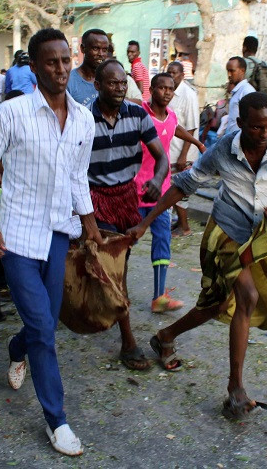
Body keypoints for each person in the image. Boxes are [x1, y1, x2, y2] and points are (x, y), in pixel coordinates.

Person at [128, 92, 267, 416]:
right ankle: (236, 389)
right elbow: (184, 184)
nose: (266, 134)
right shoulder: (223, 149)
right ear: (241, 124)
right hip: (225, 231)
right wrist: (145, 222)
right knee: (247, 296)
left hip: (264, 236)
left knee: (216, 305)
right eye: (257, 128)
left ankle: (165, 335)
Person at [0, 28, 102, 457]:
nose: (61, 69)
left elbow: (76, 178)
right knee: (45, 330)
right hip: (17, 237)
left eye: (66, 60)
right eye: (51, 62)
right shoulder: (12, 114)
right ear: (33, 65)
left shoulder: (83, 118)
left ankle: (16, 348)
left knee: (41, 322)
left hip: (59, 235)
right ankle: (57, 421)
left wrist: (91, 225)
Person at [86, 59, 168, 368]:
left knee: (120, 266)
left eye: (124, 83)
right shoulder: (83, 118)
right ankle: (128, 341)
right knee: (115, 268)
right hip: (95, 199)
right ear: (98, 85)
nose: (120, 88)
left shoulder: (138, 115)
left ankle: (102, 303)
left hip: (126, 198)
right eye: (112, 83)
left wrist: (157, 181)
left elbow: (162, 158)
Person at [135, 72, 206, 312]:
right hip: (136, 189)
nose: (166, 92)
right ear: (152, 89)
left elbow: (176, 129)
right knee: (125, 241)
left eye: (170, 89)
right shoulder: (141, 112)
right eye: (162, 88)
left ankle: (159, 296)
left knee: (163, 240)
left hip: (162, 192)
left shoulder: (172, 115)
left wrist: (196, 143)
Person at [166, 61, 200, 236]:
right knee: (172, 188)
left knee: (180, 190)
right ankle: (179, 223)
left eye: (174, 73)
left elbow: (191, 127)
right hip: (170, 150)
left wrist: (183, 155)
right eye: (169, 72)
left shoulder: (189, 95)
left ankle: (184, 226)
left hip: (183, 152)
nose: (171, 75)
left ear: (182, 75)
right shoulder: (167, 91)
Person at [67, 29, 109, 106]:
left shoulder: (111, 78)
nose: (101, 54)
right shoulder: (69, 81)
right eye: (95, 49)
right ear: (83, 49)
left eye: (104, 50)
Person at [223, 57, 256, 135]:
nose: (229, 75)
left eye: (232, 71)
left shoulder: (247, 91)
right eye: (228, 71)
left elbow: (252, 119)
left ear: (242, 71)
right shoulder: (237, 90)